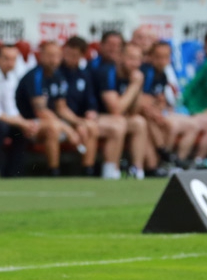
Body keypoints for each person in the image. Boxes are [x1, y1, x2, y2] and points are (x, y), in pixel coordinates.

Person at [139, 41, 207, 169]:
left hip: (161, 112)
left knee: (192, 125)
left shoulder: (163, 75)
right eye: (158, 57)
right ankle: (164, 159)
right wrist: (156, 107)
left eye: (166, 57)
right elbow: (143, 99)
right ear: (151, 57)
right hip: (147, 115)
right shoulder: (146, 72)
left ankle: (177, 163)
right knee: (171, 126)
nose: (162, 61)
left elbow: (160, 100)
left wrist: (158, 106)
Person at [15, 41, 86, 176]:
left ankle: (87, 171)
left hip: (53, 121)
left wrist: (78, 122)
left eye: (57, 56)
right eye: (50, 56)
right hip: (29, 123)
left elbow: (61, 108)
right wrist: (67, 129)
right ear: (41, 56)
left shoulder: (58, 76)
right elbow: (40, 111)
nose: (54, 60)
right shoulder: (35, 76)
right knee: (53, 128)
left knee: (86, 126)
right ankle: (53, 171)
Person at [58, 36, 125, 179]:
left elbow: (91, 101)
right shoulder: (57, 73)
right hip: (63, 120)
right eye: (68, 53)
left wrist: (91, 112)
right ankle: (87, 170)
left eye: (75, 55)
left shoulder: (84, 74)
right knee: (90, 127)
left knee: (117, 126)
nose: (70, 58)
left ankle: (110, 171)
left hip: (79, 119)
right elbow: (59, 108)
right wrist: (78, 122)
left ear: (82, 56)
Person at [0, 43, 37, 177]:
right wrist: (22, 123)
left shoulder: (10, 76)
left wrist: (25, 124)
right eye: (6, 58)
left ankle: (14, 173)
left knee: (19, 130)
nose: (10, 63)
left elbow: (11, 108)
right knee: (1, 128)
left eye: (13, 59)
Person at [94, 42, 150, 178]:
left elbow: (134, 111)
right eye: (131, 58)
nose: (135, 63)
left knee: (139, 122)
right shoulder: (107, 72)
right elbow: (116, 110)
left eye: (138, 59)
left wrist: (137, 87)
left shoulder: (133, 76)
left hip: (116, 119)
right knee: (119, 123)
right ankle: (111, 171)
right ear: (119, 57)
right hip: (92, 117)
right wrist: (134, 86)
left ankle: (137, 170)